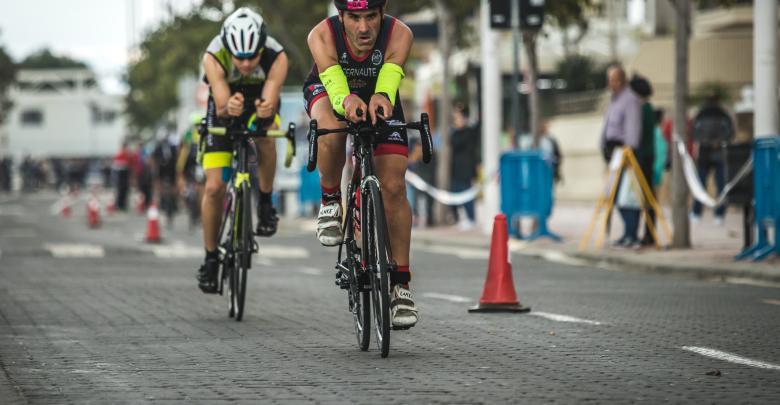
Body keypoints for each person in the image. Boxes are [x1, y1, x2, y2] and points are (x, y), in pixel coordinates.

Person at [303, 0, 418, 328]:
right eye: (354, 18)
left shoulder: (400, 34)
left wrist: (381, 97)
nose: (364, 28)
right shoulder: (321, 35)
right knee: (334, 125)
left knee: (394, 185)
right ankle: (330, 201)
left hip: (380, 94)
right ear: (341, 16)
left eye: (371, 17)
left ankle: (401, 286)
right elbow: (338, 89)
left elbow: (389, 82)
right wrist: (347, 101)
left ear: (382, 13)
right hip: (329, 90)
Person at [197, 7, 289, 293]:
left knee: (266, 136)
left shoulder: (278, 55)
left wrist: (265, 109)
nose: (247, 64)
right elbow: (222, 104)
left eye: (253, 56)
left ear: (263, 47)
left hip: (259, 100)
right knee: (214, 187)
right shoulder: (213, 56)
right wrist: (228, 108)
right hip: (224, 103)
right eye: (240, 57)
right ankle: (211, 258)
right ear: (228, 49)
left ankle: (264, 201)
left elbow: (271, 97)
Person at [599, 65, 642, 247]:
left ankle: (632, 233)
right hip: (612, 153)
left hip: (624, 153)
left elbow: (632, 128)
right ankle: (627, 232)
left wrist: (628, 151)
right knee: (615, 195)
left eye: (615, 79)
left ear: (623, 80)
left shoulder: (630, 100)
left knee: (626, 195)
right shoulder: (613, 100)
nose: (611, 83)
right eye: (609, 79)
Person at [690, 92, 733, 225]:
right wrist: (718, 142)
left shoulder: (700, 114)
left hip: (704, 154)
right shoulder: (724, 114)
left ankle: (696, 213)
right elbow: (730, 133)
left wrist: (706, 142)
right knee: (720, 185)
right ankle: (719, 215)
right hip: (719, 154)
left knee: (701, 185)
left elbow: (694, 133)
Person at [628, 74, 657, 246]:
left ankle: (649, 234)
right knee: (647, 196)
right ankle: (648, 233)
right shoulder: (647, 108)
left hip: (643, 158)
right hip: (647, 157)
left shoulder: (643, 109)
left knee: (646, 197)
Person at [450, 103, 480, 230]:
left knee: (466, 193)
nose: (456, 120)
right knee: (456, 192)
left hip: (466, 169)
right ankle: (462, 218)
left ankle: (471, 218)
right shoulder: (455, 133)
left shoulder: (469, 132)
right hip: (456, 169)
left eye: (458, 117)